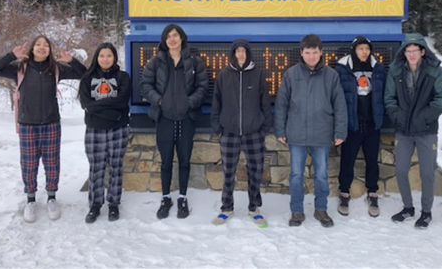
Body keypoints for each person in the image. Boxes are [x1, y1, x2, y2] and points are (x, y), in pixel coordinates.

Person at [0, 35, 86, 223]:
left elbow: (84, 73)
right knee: (29, 164)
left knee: (52, 162)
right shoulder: (20, 68)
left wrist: (72, 61)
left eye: (46, 45)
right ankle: (30, 200)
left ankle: (51, 197)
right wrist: (10, 56)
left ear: (49, 50)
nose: (42, 47)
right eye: (38, 45)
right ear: (32, 49)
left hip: (51, 123)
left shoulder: (55, 68)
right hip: (27, 124)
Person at [274, 34, 347, 228]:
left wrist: (340, 131)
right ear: (301, 53)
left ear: (321, 52)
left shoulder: (331, 75)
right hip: (296, 133)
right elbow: (281, 104)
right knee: (296, 174)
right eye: (308, 52)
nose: (312, 56)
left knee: (321, 175)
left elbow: (340, 105)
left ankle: (321, 209)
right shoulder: (291, 74)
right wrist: (280, 129)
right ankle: (297, 211)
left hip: (322, 133)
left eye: (315, 52)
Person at [140, 24, 208, 219]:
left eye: (175, 35)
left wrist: (189, 102)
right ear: (164, 40)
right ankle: (166, 197)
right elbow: (145, 85)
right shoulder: (156, 62)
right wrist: (160, 100)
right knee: (166, 161)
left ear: (182, 38)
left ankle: (183, 197)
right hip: (164, 118)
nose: (172, 39)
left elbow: (202, 87)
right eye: (168, 36)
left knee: (185, 160)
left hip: (187, 118)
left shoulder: (195, 62)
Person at [384, 33, 442, 229]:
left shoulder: (435, 71)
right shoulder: (395, 72)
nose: (411, 54)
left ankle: (426, 212)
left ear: (422, 51)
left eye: (415, 50)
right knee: (400, 169)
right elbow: (389, 98)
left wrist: (424, 118)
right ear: (403, 52)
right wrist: (397, 116)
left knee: (427, 172)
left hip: (426, 131)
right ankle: (407, 207)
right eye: (408, 50)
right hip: (403, 130)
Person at [210, 39, 273, 227]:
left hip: (253, 132)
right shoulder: (224, 74)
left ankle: (254, 207)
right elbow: (216, 102)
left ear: (248, 53)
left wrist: (265, 127)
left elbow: (265, 102)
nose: (241, 54)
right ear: (233, 54)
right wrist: (217, 127)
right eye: (237, 51)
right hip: (229, 132)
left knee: (255, 171)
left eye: (243, 51)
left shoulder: (257, 74)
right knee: (228, 171)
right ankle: (226, 208)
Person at [79, 43, 131, 224]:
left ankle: (114, 204)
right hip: (94, 130)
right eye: (102, 55)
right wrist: (111, 109)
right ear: (97, 57)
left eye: (109, 55)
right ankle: (95, 205)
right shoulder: (87, 78)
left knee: (116, 167)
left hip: (119, 129)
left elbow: (123, 101)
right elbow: (85, 104)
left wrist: (97, 107)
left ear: (115, 58)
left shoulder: (123, 77)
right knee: (96, 169)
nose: (105, 59)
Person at [335, 36, 386, 217]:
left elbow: (385, 94)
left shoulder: (378, 69)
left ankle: (372, 192)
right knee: (347, 160)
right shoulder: (342, 70)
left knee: (372, 160)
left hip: (372, 124)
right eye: (360, 48)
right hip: (352, 124)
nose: (364, 52)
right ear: (354, 50)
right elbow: (337, 97)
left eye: (367, 48)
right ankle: (344, 193)